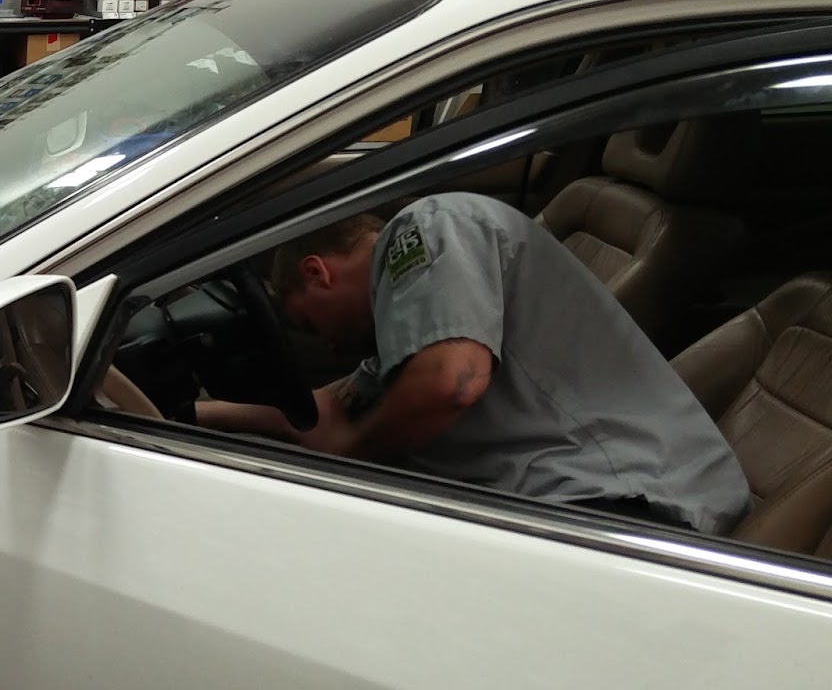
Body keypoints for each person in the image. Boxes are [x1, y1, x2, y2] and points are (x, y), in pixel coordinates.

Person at [183, 192, 752, 535]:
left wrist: (355, 453)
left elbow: (451, 383)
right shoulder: (401, 324)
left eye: (309, 323)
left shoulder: (427, 228)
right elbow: (327, 410)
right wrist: (194, 413)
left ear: (317, 272)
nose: (328, 346)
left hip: (623, 505)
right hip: (576, 496)